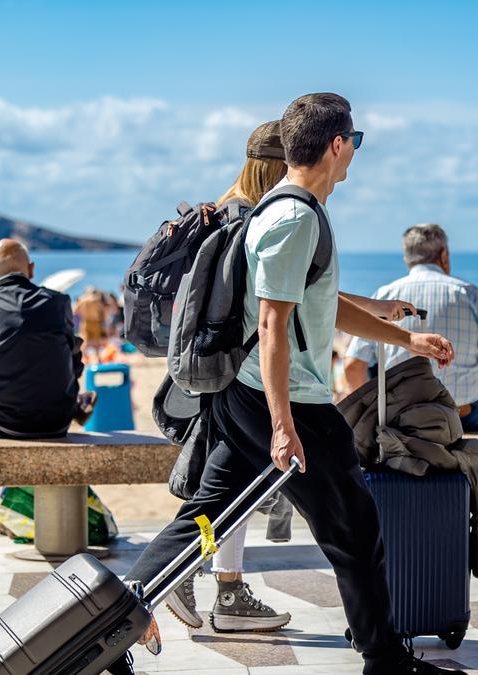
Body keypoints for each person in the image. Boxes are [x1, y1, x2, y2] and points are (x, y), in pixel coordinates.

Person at [116, 93, 461, 675]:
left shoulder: (288, 209)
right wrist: (282, 427)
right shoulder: (294, 218)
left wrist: (405, 341)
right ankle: (384, 661)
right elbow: (275, 325)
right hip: (285, 403)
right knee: (354, 531)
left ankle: (118, 611)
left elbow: (313, 309)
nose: (355, 150)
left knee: (208, 514)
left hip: (248, 394)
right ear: (336, 145)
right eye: (356, 139)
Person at [161, 120, 295, 634]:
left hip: (206, 369)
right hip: (234, 373)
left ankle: (225, 586)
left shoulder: (217, 211)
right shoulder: (248, 219)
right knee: (227, 486)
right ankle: (206, 579)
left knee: (227, 484)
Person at [342, 223, 478, 536]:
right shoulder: (468, 293)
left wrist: (375, 411)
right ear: (444, 255)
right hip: (462, 414)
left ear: (408, 258)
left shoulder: (385, 295)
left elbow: (353, 367)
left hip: (399, 417)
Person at [0, 239, 97, 438]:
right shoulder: (58, 303)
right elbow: (74, 359)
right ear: (31, 269)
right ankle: (76, 405)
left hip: (2, 424)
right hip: (58, 421)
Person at [74, 287, 107, 361]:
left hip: (85, 322)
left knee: (85, 341)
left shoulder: (83, 300)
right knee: (97, 342)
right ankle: (98, 359)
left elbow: (75, 311)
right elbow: (102, 311)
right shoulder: (96, 300)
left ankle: (84, 358)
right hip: (96, 322)